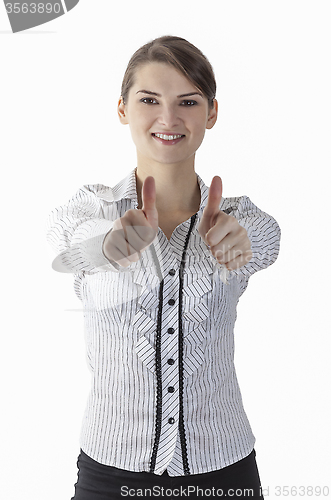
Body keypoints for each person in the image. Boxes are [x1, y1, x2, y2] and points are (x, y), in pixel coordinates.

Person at [46, 35, 281, 500]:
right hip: (111, 473)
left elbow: (269, 239)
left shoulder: (238, 217)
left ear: (211, 113)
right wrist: (106, 247)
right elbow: (66, 246)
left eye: (188, 102)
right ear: (122, 109)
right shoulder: (92, 210)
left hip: (223, 469)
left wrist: (243, 243)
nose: (168, 118)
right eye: (149, 99)